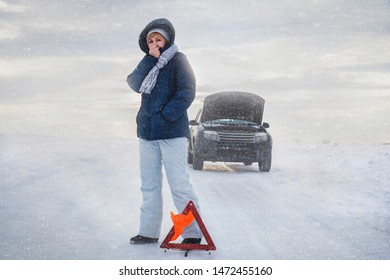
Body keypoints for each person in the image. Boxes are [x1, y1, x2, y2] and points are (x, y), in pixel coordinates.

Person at [126, 18, 202, 245]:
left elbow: (187, 91)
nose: (155, 43)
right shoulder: (148, 61)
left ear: (167, 40)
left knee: (179, 184)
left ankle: (193, 233)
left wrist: (166, 115)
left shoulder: (179, 60)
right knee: (149, 185)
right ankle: (148, 232)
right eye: (151, 40)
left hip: (172, 133)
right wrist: (150, 59)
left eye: (158, 39)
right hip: (147, 134)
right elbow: (133, 83)